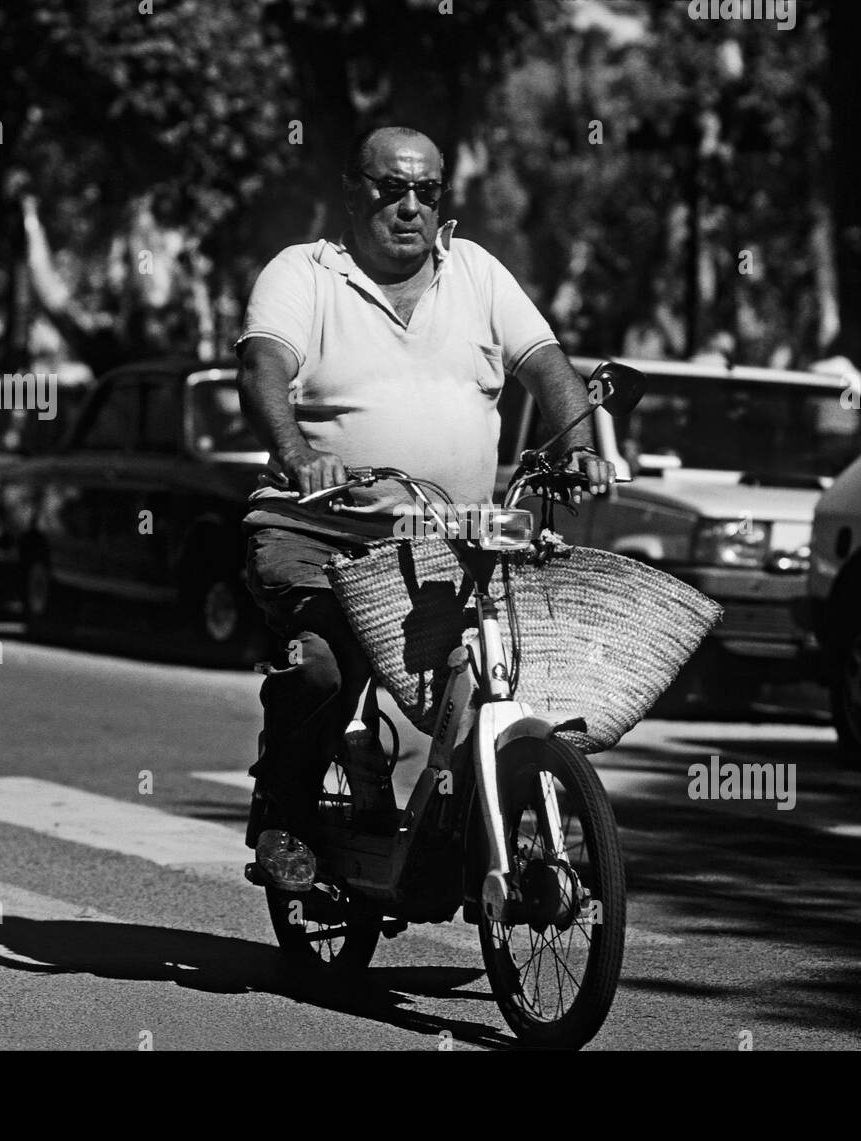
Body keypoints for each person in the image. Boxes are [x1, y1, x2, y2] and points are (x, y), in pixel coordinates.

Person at [235, 125, 615, 890]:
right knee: (319, 667)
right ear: (352, 192)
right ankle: (282, 816)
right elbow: (263, 369)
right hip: (320, 528)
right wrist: (297, 453)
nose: (410, 207)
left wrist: (577, 443)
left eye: (428, 192)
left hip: (449, 539)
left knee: (497, 677)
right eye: (390, 188)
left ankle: (475, 838)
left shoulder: (475, 271)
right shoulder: (304, 274)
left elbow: (548, 366)